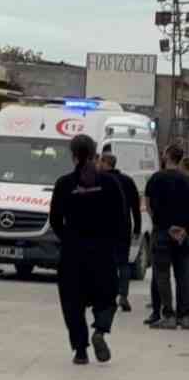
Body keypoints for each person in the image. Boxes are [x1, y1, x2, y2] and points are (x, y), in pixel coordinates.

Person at [49, 134, 128, 365]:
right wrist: (113, 243)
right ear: (95, 155)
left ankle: (81, 350)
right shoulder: (110, 183)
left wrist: (68, 238)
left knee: (72, 302)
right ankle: (100, 331)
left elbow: (55, 219)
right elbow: (121, 218)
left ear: (73, 156)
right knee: (106, 296)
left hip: (73, 253)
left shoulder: (64, 184)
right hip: (102, 252)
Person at [143, 144, 189, 330]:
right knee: (183, 275)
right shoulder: (186, 181)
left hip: (162, 232)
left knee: (162, 275)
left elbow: (148, 205)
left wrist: (163, 225)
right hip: (183, 235)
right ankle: (184, 316)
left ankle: (168, 314)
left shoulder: (156, 179)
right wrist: (183, 229)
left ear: (168, 156)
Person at [97, 153, 142, 313]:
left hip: (102, 228)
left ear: (105, 163)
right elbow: (136, 206)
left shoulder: (99, 180)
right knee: (123, 263)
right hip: (123, 227)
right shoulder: (127, 181)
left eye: (100, 161)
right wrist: (137, 227)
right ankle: (123, 295)